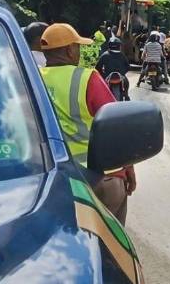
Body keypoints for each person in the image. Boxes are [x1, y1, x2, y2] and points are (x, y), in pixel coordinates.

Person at [39, 23, 135, 225]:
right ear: (69, 50)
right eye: (77, 47)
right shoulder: (86, 77)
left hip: (49, 176)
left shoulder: (33, 79)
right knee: (112, 239)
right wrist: (128, 167)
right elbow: (116, 124)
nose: (79, 51)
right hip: (98, 176)